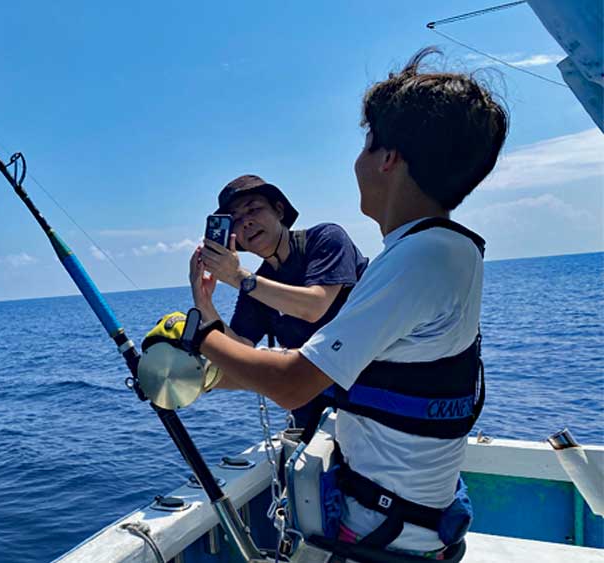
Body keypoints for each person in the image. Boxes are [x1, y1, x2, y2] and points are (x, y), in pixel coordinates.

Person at [149, 47, 508, 558]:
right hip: (399, 509)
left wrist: (204, 330)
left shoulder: (414, 257)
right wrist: (182, 371)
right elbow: (246, 360)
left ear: (390, 157)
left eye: (366, 144)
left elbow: (293, 376)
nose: (357, 160)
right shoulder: (442, 249)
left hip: (387, 531)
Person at [190, 175, 368, 427]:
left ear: (279, 210)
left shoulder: (326, 239)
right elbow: (240, 347)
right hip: (311, 408)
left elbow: (314, 306)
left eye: (253, 209)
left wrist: (239, 277)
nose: (246, 222)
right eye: (236, 219)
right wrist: (204, 302)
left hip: (369, 396)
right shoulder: (256, 285)